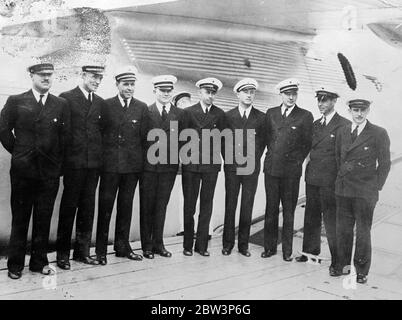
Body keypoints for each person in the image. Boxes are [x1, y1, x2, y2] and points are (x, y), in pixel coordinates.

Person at [0, 63, 70, 279]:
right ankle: (15, 265)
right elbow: (3, 129)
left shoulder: (60, 104)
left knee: (43, 218)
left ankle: (39, 263)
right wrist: (20, 152)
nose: (46, 78)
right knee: (20, 220)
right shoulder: (16, 101)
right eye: (42, 75)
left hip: (48, 173)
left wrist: (56, 163)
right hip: (23, 172)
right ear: (31, 75)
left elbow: (65, 138)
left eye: (49, 75)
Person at [95, 66, 149, 265]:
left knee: (126, 208)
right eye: (125, 84)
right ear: (117, 84)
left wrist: (139, 166)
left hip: (131, 169)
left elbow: (144, 140)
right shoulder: (106, 105)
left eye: (132, 84)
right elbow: (99, 135)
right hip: (109, 167)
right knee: (105, 208)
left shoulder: (141, 107)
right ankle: (100, 250)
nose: (129, 88)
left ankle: (122, 247)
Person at [333, 97, 390, 284]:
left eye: (362, 111)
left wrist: (375, 186)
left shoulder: (378, 133)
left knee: (363, 233)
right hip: (344, 190)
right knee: (343, 231)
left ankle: (361, 271)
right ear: (349, 110)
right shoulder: (342, 131)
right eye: (355, 110)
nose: (359, 114)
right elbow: (337, 158)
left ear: (367, 111)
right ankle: (342, 266)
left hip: (365, 192)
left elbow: (384, 164)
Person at [295, 87, 350, 276]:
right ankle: (309, 252)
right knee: (311, 217)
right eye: (319, 100)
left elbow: (344, 158)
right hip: (313, 178)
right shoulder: (316, 124)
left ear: (334, 102)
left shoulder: (343, 125)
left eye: (325, 101)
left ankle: (339, 262)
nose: (321, 104)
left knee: (332, 221)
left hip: (331, 181)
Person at [56, 65, 106, 270]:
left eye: (100, 78)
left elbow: (101, 132)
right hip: (74, 165)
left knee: (87, 209)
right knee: (69, 209)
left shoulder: (100, 103)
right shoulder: (66, 98)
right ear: (83, 75)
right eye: (94, 76)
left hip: (92, 165)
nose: (96, 81)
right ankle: (62, 255)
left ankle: (82, 252)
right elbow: (60, 133)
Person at [261, 78, 313, 261]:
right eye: (287, 94)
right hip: (272, 170)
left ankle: (287, 251)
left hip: (291, 172)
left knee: (289, 211)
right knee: (271, 210)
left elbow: (307, 143)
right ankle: (269, 247)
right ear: (281, 94)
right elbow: (266, 137)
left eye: (294, 94)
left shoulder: (305, 116)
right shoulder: (271, 113)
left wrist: (295, 161)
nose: (291, 97)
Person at [140, 75, 185, 259]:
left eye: (168, 91)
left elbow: (182, 141)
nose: (166, 94)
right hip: (149, 168)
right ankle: (146, 246)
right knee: (147, 206)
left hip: (168, 169)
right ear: (155, 91)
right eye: (162, 90)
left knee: (161, 206)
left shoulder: (179, 115)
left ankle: (158, 243)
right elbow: (141, 140)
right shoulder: (146, 112)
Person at [181, 77, 225, 256]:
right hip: (191, 166)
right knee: (189, 206)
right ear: (199, 92)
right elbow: (182, 138)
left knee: (206, 206)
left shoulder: (220, 115)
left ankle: (202, 246)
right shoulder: (188, 113)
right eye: (207, 92)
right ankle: (187, 246)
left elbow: (223, 140)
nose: (210, 96)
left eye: (213, 93)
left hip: (210, 167)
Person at [222, 78, 265, 257]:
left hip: (250, 168)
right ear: (238, 94)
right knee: (230, 205)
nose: (249, 95)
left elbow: (262, 143)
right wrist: (230, 160)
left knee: (247, 205)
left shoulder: (261, 118)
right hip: (232, 168)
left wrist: (252, 159)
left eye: (252, 92)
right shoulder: (228, 116)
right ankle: (227, 244)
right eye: (245, 92)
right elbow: (223, 142)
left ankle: (243, 245)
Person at [172, 91, 192, 237]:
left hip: (199, 164)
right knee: (183, 197)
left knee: (200, 198)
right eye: (181, 103)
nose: (185, 104)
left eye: (187, 101)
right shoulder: (177, 120)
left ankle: (204, 230)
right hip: (182, 164)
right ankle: (183, 228)